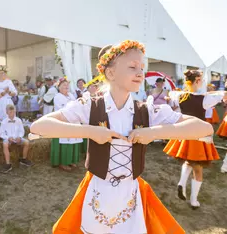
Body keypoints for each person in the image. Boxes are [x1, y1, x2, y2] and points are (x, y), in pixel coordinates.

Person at [30, 40, 213, 233]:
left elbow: (204, 128)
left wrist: (154, 133)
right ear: (110, 73)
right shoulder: (88, 106)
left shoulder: (147, 111)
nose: (140, 73)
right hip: (98, 192)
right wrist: (90, 132)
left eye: (142, 67)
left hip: (130, 194)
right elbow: (39, 126)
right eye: (133, 67)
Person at [163, 70, 227, 209]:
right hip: (199, 135)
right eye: (201, 80)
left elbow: (170, 95)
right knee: (198, 168)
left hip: (184, 132)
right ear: (198, 81)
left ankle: (182, 182)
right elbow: (226, 95)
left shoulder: (179, 95)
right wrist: (211, 94)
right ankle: (194, 200)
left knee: (189, 160)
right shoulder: (204, 99)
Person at [51, 78, 82, 171]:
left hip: (73, 121)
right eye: (64, 85)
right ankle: (63, 162)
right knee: (65, 142)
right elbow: (61, 109)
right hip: (63, 122)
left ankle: (71, 160)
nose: (66, 86)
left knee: (73, 141)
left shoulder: (71, 95)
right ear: (59, 87)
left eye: (67, 85)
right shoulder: (57, 96)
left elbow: (76, 106)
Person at [0, 104, 33, 173]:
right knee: (5, 145)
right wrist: (8, 138)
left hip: (17, 138)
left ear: (15, 111)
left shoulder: (18, 120)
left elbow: (22, 131)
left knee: (27, 142)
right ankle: (8, 164)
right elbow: (1, 134)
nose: (12, 114)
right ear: (7, 112)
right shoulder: (4, 122)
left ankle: (23, 159)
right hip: (8, 139)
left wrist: (19, 137)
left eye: (13, 112)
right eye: (10, 112)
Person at [0, 66, 17, 131]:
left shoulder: (8, 82)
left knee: (9, 118)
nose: (1, 75)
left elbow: (15, 93)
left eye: (3, 73)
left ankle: (11, 134)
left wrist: (8, 91)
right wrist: (2, 93)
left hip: (7, 103)